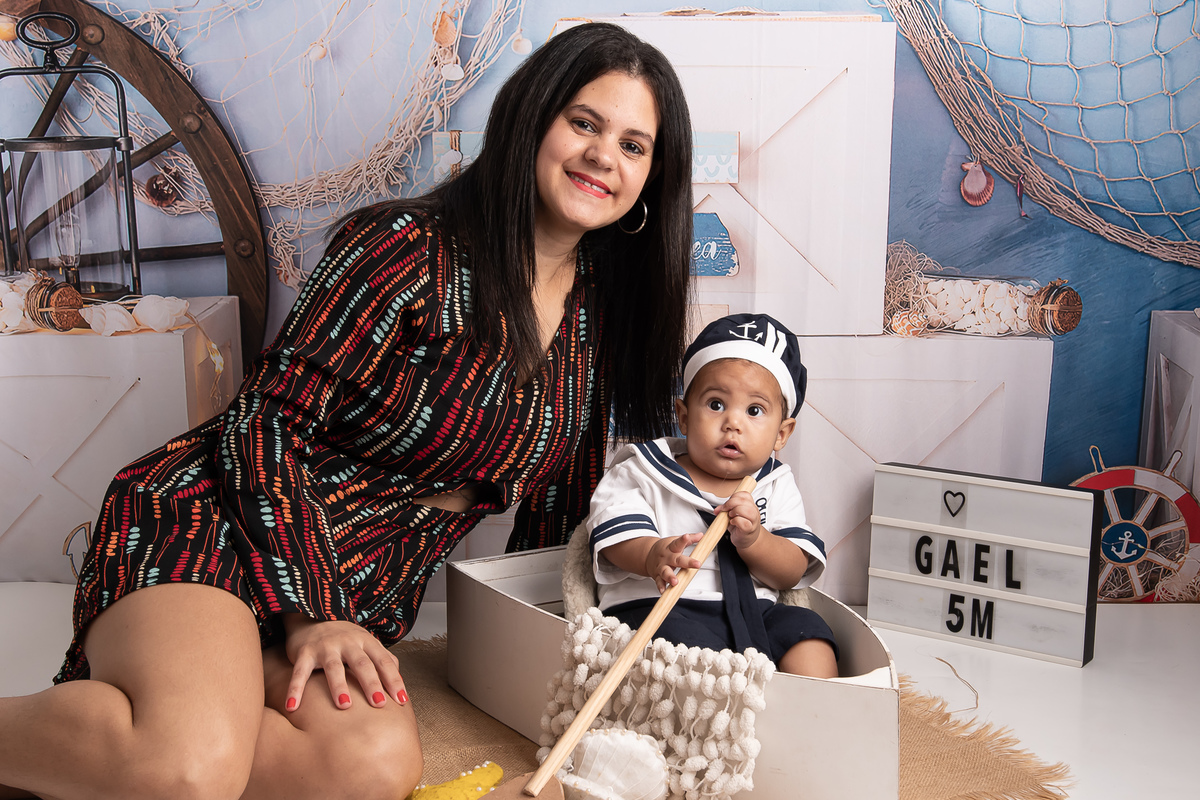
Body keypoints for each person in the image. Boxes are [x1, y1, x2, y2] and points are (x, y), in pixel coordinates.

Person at [0, 22, 693, 800]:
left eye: (634, 145)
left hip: (364, 581)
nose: (604, 155)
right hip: (220, 525)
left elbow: (559, 511)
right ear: (533, 119)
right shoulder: (407, 246)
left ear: (651, 178)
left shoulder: (602, 314)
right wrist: (312, 612)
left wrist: (565, 662)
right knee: (187, 771)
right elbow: (265, 424)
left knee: (371, 768)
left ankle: (133, 741)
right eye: (585, 123)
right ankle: (145, 743)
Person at [587, 313, 839, 678]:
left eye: (754, 411)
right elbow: (613, 539)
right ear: (684, 416)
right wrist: (651, 554)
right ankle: (716, 705)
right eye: (716, 404)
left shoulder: (774, 483)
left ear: (782, 434)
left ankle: (814, 703)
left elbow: (791, 571)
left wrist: (756, 540)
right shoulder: (642, 470)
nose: (733, 422)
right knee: (684, 652)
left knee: (809, 632)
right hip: (660, 608)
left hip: (752, 613)